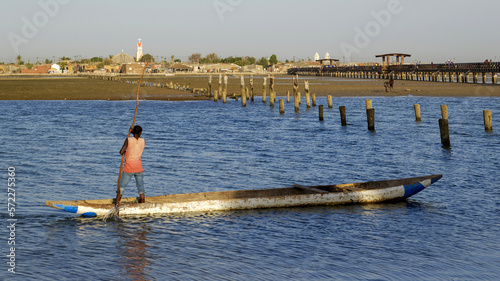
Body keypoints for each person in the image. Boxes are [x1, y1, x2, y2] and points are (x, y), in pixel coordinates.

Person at [118, 125, 146, 204]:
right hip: (138, 167)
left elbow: (121, 152)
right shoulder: (143, 140)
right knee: (141, 187)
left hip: (129, 168)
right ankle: (142, 203)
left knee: (122, 187)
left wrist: (125, 152)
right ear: (140, 133)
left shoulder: (128, 140)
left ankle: (117, 204)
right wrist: (132, 132)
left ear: (133, 132)